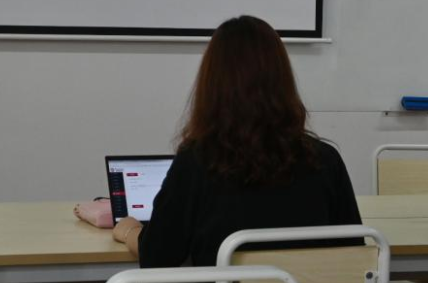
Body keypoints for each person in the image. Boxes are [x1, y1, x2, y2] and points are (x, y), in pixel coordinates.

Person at [112, 15, 361, 266]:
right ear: (283, 79)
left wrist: (129, 229)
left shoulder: (198, 161)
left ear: (213, 84)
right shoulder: (325, 159)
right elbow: (355, 254)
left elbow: (158, 257)